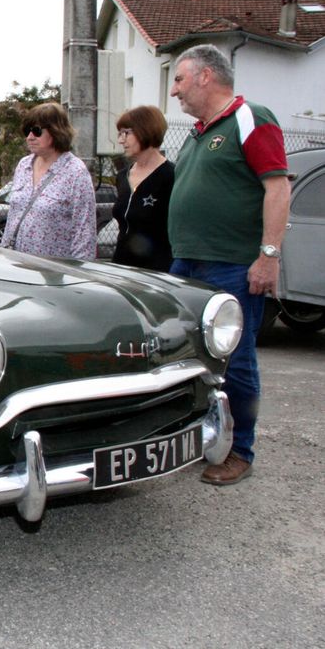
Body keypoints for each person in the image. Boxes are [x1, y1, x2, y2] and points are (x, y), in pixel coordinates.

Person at [168, 43, 290, 485]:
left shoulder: (249, 117)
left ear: (205, 76)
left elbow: (277, 188)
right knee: (181, 357)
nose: (174, 92)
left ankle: (241, 450)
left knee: (235, 361)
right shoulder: (200, 131)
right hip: (187, 266)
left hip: (232, 266)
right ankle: (199, 437)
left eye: (179, 80)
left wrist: (268, 256)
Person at [0, 102, 96, 260]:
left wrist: (77, 276)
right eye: (27, 131)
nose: (30, 137)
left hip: (52, 273)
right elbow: (12, 218)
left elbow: (84, 233)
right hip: (17, 266)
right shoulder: (24, 165)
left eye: (36, 131)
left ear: (56, 131)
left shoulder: (76, 172)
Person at [112, 105, 174, 271]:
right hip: (121, 268)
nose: (121, 140)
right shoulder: (123, 176)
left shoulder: (171, 176)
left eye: (126, 133)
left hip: (157, 272)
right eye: (119, 134)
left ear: (145, 130)